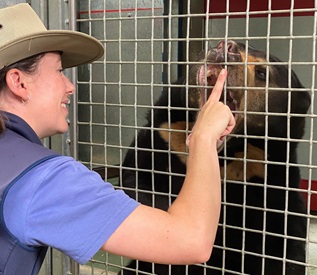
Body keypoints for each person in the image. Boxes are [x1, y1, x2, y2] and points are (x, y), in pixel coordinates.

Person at [0, 3, 235, 275]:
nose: (70, 86)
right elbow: (191, 240)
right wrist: (205, 137)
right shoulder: (44, 181)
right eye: (59, 70)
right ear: (19, 83)